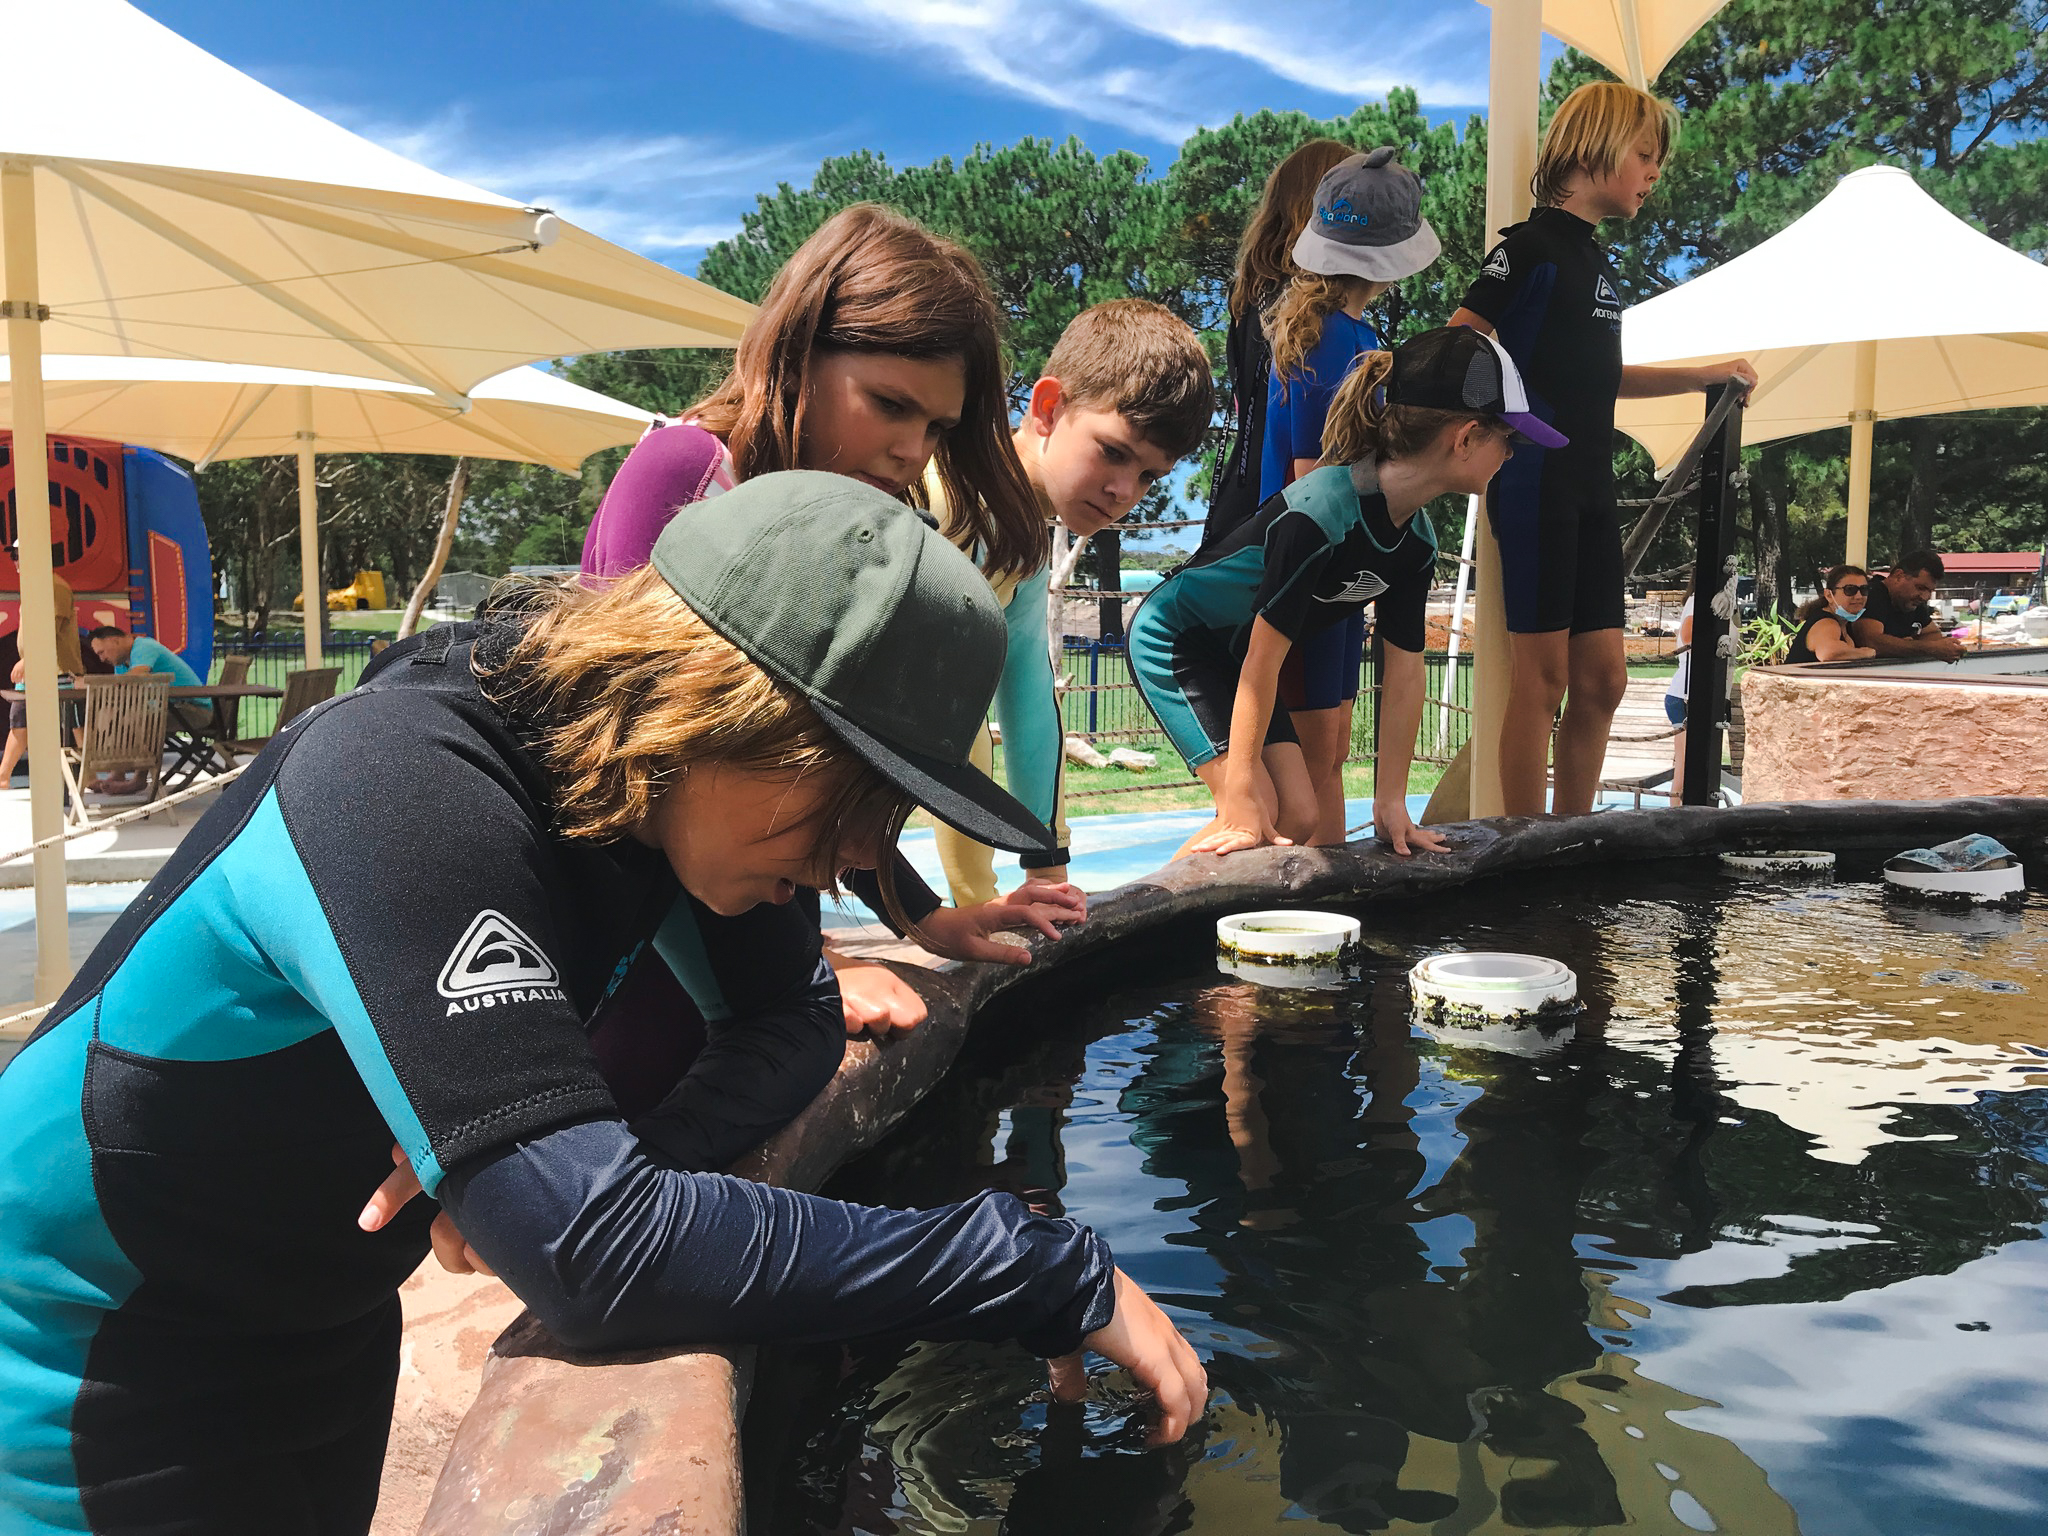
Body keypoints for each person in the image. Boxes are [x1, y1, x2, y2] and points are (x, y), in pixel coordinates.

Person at [0, 472, 1208, 1534]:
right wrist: (1016, 1262)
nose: (855, 854)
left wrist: (584, 1161)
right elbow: (589, 1254)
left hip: (325, 1324)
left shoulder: (656, 792)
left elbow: (786, 1026)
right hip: (91, 1356)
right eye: (852, 792)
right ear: (718, 701)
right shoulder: (403, 781)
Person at [580, 203, 1086, 1037]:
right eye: (890, 405)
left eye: (936, 428)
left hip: (739, 945)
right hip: (632, 957)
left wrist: (923, 921)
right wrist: (814, 969)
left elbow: (818, 785)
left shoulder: (830, 529)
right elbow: (636, 769)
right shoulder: (687, 470)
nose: (912, 452)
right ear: (799, 351)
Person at [1129, 327, 1566, 860]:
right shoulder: (1322, 514)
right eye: (1509, 440)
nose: (1511, 456)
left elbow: (1404, 672)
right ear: (1467, 437)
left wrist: (1390, 802)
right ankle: (1139, 918)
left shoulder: (1416, 542)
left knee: (1300, 815)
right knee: (1252, 815)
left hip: (1237, 655)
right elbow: (1265, 660)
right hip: (1178, 640)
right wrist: (1239, 790)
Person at [1447, 82, 1757, 817]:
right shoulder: (1527, 252)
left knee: (1604, 682)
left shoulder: (1595, 263)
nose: (1655, 173)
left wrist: (1705, 374)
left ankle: (1572, 835)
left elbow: (1603, 377)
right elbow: (1455, 349)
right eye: (1646, 155)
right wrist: (1496, 432)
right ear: (1597, 149)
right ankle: (1523, 846)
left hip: (1589, 486)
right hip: (1536, 483)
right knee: (1542, 681)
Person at [933, 298, 1213, 908]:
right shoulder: (945, 495)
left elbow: (1028, 690)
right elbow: (949, 722)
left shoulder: (1027, 536)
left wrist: (1047, 872)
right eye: (1113, 452)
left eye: (1149, 477)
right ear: (1047, 408)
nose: (1122, 493)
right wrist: (975, 903)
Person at [1261, 148, 1443, 845]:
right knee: (1313, 761)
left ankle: (1336, 910)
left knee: (1329, 752)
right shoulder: (1333, 341)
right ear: (1395, 257)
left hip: (1331, 583)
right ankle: (1305, 911)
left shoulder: (1347, 333)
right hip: (1309, 578)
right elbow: (1310, 477)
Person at [1204, 137, 1355, 546]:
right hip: (1291, 501)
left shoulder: (1249, 298)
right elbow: (1314, 438)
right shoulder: (1313, 310)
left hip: (1242, 494)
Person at [0, 571, 86, 786]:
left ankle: (90, 774)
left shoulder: (55, 585)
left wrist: (28, 658)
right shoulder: (35, 584)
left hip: (58, 668)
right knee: (20, 723)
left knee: (74, 724)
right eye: (13, 554)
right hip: (34, 670)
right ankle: (3, 776)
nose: (16, 561)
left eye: (19, 554)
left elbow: (51, 627)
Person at [1854, 550, 1965, 661]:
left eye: (1930, 591)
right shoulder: (1872, 594)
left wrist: (1909, 645)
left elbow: (1934, 634)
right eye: (1920, 588)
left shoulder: (1911, 602)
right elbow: (1871, 642)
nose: (1925, 597)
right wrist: (1928, 648)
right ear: (1899, 576)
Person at [1785, 565, 1879, 663]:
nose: (1859, 596)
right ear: (1829, 595)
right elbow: (1828, 653)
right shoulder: (1826, 622)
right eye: (1850, 590)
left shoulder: (1844, 624)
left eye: (1864, 589)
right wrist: (1866, 653)